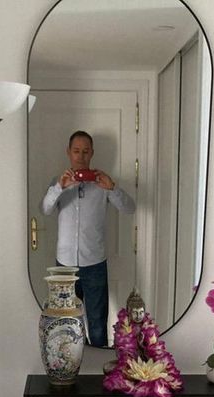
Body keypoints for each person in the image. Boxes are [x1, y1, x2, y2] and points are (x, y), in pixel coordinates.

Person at [40, 130, 135, 347]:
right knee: (65, 322)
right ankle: (70, 360)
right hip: (64, 267)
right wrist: (59, 187)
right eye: (76, 151)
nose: (81, 156)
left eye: (85, 151)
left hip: (94, 264)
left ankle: (97, 363)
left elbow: (129, 208)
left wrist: (112, 188)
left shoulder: (103, 184)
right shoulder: (59, 183)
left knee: (97, 323)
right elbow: (45, 209)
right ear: (68, 152)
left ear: (92, 153)